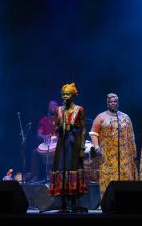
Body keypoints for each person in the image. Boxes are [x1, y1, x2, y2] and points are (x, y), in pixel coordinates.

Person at [89, 93, 138, 198]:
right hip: (107, 154)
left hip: (124, 154)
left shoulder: (125, 117)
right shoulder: (101, 117)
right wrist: (97, 147)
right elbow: (93, 133)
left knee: (125, 176)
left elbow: (131, 135)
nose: (113, 103)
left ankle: (125, 199)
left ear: (118, 103)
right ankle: (108, 201)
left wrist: (133, 152)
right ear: (107, 103)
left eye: (115, 101)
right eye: (111, 102)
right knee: (108, 177)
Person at [49, 83, 88, 212]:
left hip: (74, 143)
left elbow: (83, 129)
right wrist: (59, 127)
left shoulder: (79, 109)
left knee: (74, 168)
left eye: (67, 94)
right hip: (62, 143)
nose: (65, 96)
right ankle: (63, 203)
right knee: (62, 168)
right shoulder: (59, 110)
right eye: (63, 94)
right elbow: (55, 128)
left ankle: (75, 202)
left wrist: (82, 148)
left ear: (73, 95)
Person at [30, 100, 58, 182]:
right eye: (51, 105)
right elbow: (38, 134)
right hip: (46, 145)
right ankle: (35, 176)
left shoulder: (61, 120)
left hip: (58, 145)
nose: (53, 106)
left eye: (55, 105)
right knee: (34, 152)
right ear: (48, 108)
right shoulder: (43, 120)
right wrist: (44, 137)